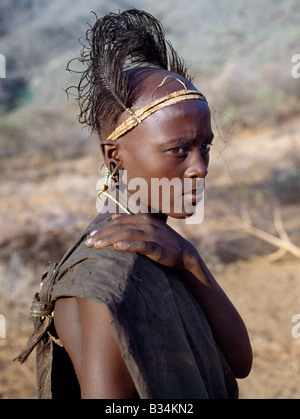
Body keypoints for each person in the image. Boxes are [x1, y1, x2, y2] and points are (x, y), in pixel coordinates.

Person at [17, 9, 252, 399]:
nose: (200, 169)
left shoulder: (165, 248)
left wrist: (191, 260)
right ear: (115, 157)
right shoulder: (110, 269)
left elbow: (240, 363)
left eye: (204, 147)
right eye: (179, 150)